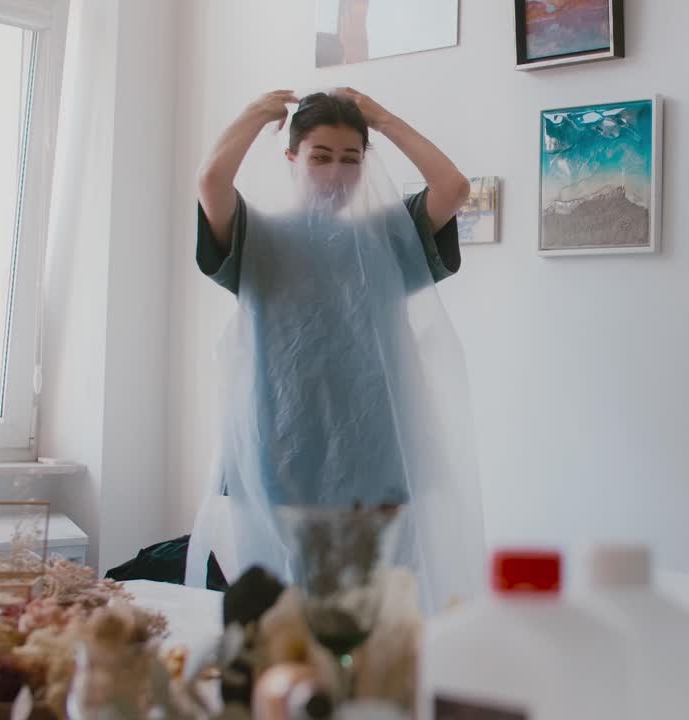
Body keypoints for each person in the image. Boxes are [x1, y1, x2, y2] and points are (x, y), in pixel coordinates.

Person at [186, 87, 482, 614]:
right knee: (289, 620)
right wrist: (257, 113)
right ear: (292, 159)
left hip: (380, 457)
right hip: (283, 456)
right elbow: (211, 182)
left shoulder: (389, 240)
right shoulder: (258, 240)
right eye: (320, 157)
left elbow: (453, 186)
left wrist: (383, 118)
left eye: (350, 159)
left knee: (382, 612)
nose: (335, 172)